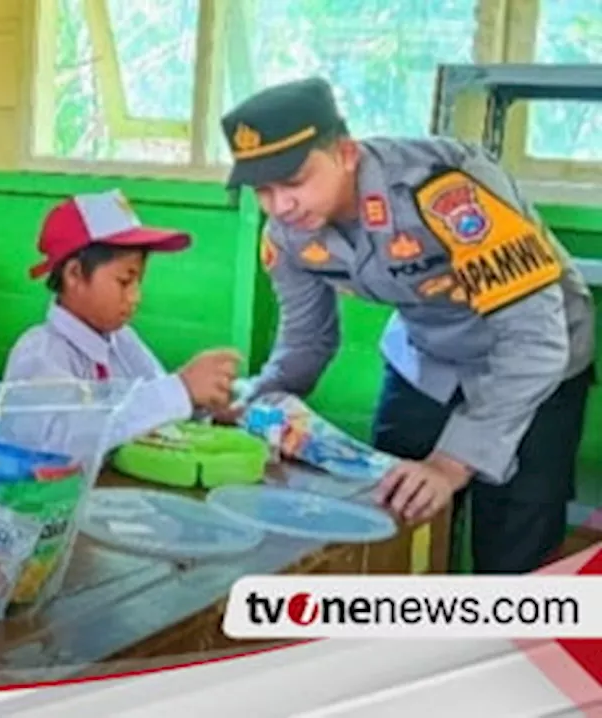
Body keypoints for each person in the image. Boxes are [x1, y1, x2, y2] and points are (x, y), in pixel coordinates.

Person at [219, 77, 595, 573]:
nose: (280, 204)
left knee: (513, 554)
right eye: (261, 190)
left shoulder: (446, 189)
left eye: (293, 181)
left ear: (347, 153)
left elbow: (534, 340)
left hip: (537, 361)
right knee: (395, 514)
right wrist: (254, 401)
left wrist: (450, 463)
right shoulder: (288, 234)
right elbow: (308, 338)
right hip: (429, 360)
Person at [4, 189, 241, 450]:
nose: (135, 297)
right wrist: (181, 389)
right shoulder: (39, 354)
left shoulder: (122, 341)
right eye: (124, 281)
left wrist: (203, 403)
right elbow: (61, 438)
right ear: (74, 274)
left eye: (138, 281)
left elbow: (154, 402)